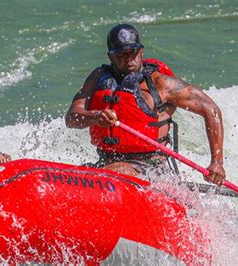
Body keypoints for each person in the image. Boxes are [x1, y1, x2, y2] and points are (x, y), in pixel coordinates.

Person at [65, 23, 226, 186]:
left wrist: (217, 162)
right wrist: (95, 116)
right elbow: (71, 119)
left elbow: (210, 109)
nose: (128, 58)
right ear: (110, 57)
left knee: (113, 172)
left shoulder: (161, 84)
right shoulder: (97, 78)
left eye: (133, 52)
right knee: (72, 175)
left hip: (150, 169)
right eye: (121, 54)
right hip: (107, 163)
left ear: (141, 51)